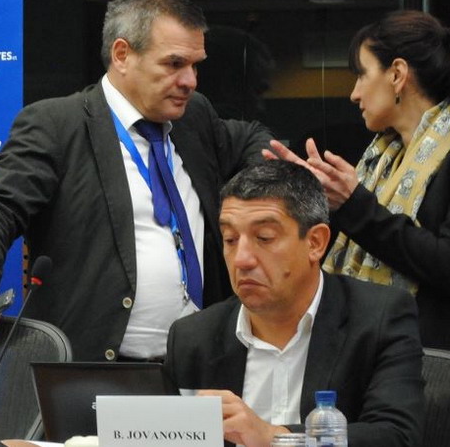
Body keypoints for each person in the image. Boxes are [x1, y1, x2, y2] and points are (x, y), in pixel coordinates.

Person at [0, 0, 272, 361]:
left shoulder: (194, 117)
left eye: (196, 65)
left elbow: (252, 138)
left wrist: (266, 186)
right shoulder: (57, 126)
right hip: (97, 368)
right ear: (122, 55)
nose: (190, 81)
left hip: (199, 366)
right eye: (174, 64)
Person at [266, 10, 450, 365]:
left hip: (442, 363)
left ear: (397, 74)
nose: (354, 94)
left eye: (361, 74)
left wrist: (354, 204)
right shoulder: (379, 158)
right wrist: (308, 197)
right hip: (371, 350)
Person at [165, 161, 424, 447]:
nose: (242, 259)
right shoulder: (192, 338)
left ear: (315, 242)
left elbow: (396, 436)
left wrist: (274, 438)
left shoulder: (378, 318)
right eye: (230, 239)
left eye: (264, 238)